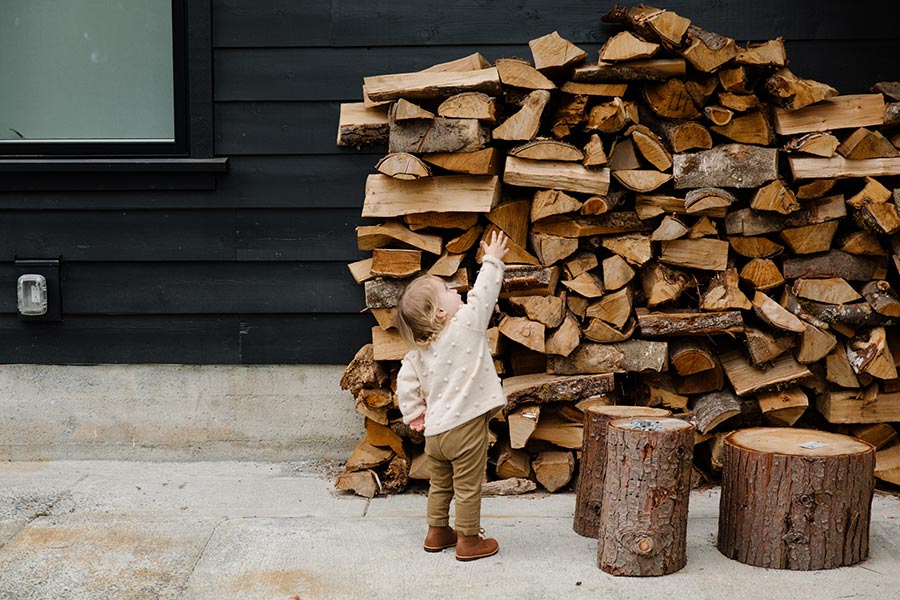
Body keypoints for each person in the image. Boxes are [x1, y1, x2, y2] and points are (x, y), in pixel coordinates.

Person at [395, 230, 509, 562]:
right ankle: (469, 540)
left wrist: (414, 414)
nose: (456, 289)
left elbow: (405, 381)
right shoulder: (466, 326)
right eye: (447, 290)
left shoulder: (419, 350)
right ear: (439, 314)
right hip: (465, 427)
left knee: (441, 485)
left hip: (436, 433)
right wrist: (493, 259)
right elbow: (483, 295)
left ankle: (436, 532)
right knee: (468, 486)